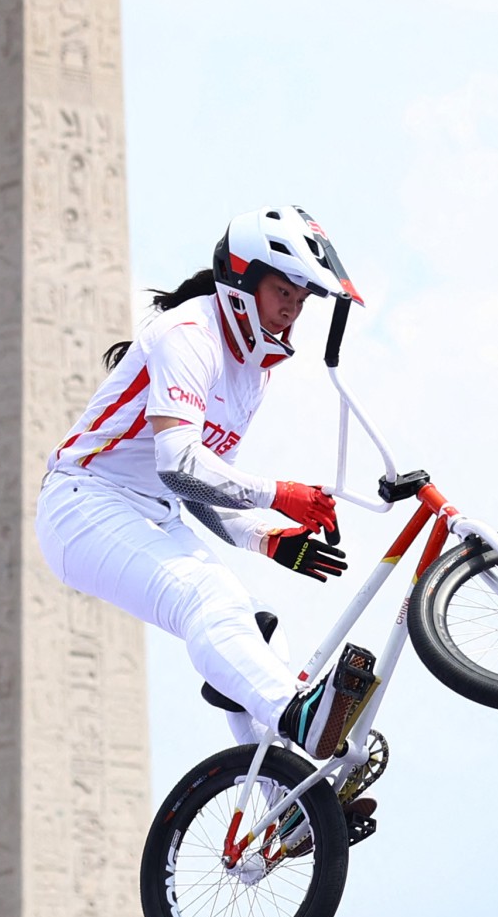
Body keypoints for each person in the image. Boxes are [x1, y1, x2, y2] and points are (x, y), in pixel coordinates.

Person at [36, 204, 376, 767]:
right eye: (282, 290)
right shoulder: (188, 334)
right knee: (208, 600)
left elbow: (198, 490)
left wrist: (267, 540)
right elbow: (180, 466)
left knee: (258, 630)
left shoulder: (256, 370)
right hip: (84, 504)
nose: (292, 309)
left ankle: (281, 798)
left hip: (156, 513)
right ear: (243, 279)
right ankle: (299, 716)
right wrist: (279, 494)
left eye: (302, 298)